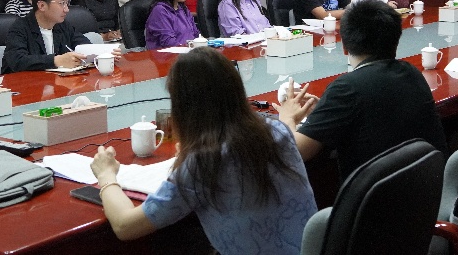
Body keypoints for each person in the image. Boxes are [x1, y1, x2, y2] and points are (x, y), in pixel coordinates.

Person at [90, 48, 317, 253]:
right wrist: (288, 119)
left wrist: (106, 175)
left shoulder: (203, 163)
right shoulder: (277, 130)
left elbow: (125, 226)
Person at [275, 0, 447, 181]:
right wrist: (325, 109)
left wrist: (286, 118)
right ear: (396, 41)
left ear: (344, 47)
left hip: (374, 197)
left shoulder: (346, 88)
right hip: (428, 189)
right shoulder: (412, 72)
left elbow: (294, 152)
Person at [2, 0, 92, 73]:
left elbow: (85, 46)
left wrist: (99, 53)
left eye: (67, 3)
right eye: (62, 3)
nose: (67, 9)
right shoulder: (20, 28)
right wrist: (56, 61)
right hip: (22, 81)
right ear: (42, 6)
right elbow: (18, 61)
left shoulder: (63, 26)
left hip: (55, 80)